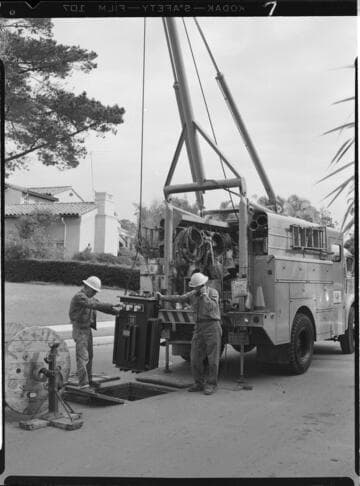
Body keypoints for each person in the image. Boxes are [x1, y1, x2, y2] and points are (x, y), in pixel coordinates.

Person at [157, 272, 222, 395]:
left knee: (213, 358)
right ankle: (199, 383)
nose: (194, 289)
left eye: (196, 287)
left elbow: (212, 308)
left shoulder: (212, 293)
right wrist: (163, 297)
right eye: (194, 287)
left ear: (203, 285)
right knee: (195, 357)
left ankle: (211, 384)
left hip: (212, 326)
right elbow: (179, 298)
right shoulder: (193, 294)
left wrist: (204, 296)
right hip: (199, 327)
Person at [69, 276, 120, 389]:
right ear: (87, 287)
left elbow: (100, 305)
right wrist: (112, 306)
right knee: (83, 357)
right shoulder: (80, 297)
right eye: (94, 291)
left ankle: (89, 380)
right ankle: (83, 383)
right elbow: (95, 305)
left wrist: (116, 311)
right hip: (80, 329)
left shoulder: (89, 297)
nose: (95, 293)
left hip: (87, 329)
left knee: (89, 356)